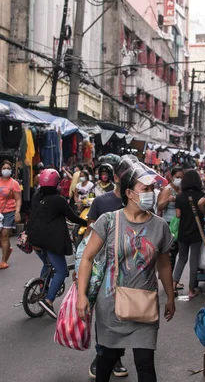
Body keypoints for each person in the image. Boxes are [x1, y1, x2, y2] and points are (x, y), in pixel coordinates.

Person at [76, 157, 175, 382]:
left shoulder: (160, 226)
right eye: (145, 189)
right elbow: (87, 258)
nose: (151, 193)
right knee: (106, 362)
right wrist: (82, 296)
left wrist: (170, 296)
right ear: (130, 193)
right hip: (111, 307)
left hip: (145, 305)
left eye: (152, 188)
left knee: (146, 366)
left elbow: (164, 264)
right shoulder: (108, 221)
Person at [82, 156, 128, 379]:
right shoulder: (100, 202)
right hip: (102, 268)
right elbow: (88, 236)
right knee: (103, 314)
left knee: (124, 315)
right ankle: (101, 356)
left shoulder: (136, 202)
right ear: (117, 177)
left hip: (129, 270)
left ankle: (116, 357)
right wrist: (81, 268)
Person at [27, 169, 87, 318]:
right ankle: (48, 299)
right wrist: (87, 222)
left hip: (34, 239)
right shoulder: (58, 200)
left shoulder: (36, 196)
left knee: (47, 265)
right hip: (51, 241)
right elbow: (72, 217)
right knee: (61, 271)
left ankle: (42, 289)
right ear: (56, 183)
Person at [173, 169, 205, 299]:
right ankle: (191, 289)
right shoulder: (202, 196)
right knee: (194, 261)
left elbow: (178, 215)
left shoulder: (180, 196)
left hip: (183, 231)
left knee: (181, 258)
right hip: (197, 232)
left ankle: (173, 285)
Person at [157, 166, 183, 278]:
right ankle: (168, 279)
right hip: (170, 225)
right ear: (172, 177)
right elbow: (160, 207)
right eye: (177, 177)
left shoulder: (181, 189)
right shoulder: (167, 190)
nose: (180, 179)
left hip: (180, 224)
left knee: (178, 253)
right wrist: (168, 200)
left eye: (182, 177)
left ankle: (173, 279)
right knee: (171, 254)